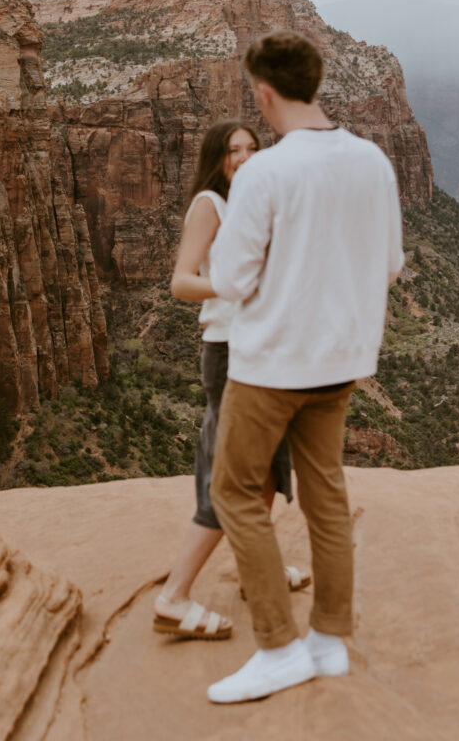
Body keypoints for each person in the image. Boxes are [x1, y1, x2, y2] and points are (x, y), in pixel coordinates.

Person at [205, 31, 404, 702]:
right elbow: (389, 265)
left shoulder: (265, 171)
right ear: (314, 84)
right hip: (341, 363)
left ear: (263, 93)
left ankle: (277, 646)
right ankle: (327, 641)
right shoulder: (372, 160)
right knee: (326, 498)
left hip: (269, 367)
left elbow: (229, 278)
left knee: (233, 491)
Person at [152, 119, 310, 641]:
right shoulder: (210, 205)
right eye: (232, 150)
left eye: (251, 148)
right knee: (233, 474)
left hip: (263, 355)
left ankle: (251, 571)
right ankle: (173, 597)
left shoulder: (250, 207)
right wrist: (234, 287)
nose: (243, 158)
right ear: (216, 158)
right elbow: (180, 280)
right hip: (229, 355)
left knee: (265, 469)